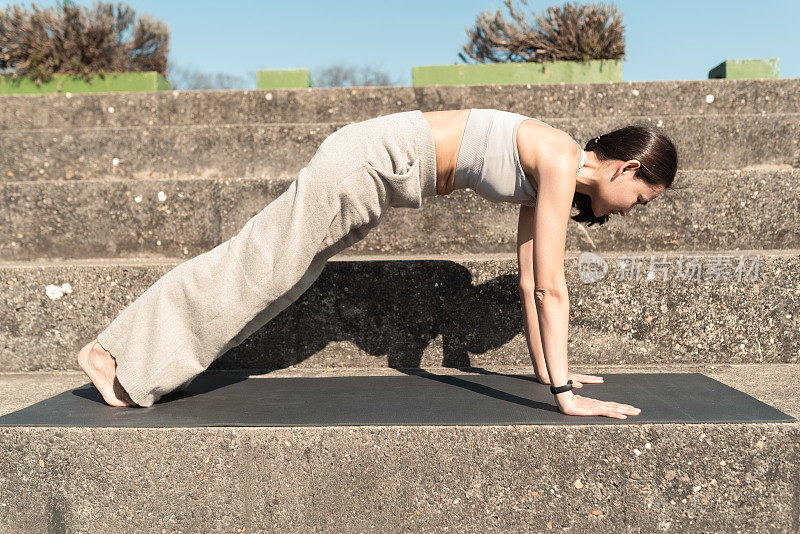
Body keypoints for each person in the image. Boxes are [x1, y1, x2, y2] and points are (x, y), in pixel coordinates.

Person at [77, 107, 677, 419]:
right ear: (626, 169)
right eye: (641, 200)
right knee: (261, 265)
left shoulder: (554, 169)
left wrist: (553, 377)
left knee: (283, 277)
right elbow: (552, 288)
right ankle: (114, 357)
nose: (631, 212)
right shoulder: (556, 155)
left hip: (378, 178)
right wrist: (569, 395)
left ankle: (141, 362)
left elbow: (528, 280)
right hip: (371, 162)